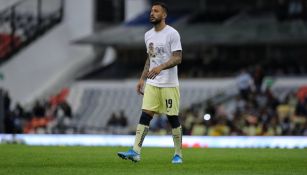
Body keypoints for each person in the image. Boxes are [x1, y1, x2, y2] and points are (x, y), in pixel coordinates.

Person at [117, 2, 183, 164]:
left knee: (172, 118)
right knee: (145, 114)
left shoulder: (172, 33)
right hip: (153, 83)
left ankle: (178, 154)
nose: (152, 13)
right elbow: (150, 58)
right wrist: (142, 78)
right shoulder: (148, 35)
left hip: (169, 83)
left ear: (164, 15)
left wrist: (161, 67)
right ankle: (135, 151)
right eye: (151, 11)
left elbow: (178, 57)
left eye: (156, 11)